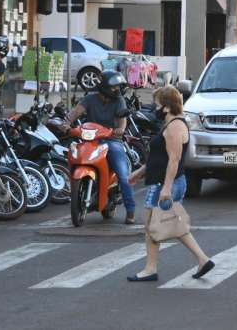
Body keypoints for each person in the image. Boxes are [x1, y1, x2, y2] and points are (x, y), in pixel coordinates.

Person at [127, 86, 214, 282]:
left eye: (156, 104)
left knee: (153, 225)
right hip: (163, 182)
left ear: (166, 107)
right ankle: (202, 260)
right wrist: (139, 172)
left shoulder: (175, 126)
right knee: (169, 223)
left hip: (164, 184)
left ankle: (151, 269)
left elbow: (173, 160)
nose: (154, 108)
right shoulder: (170, 124)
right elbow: (160, 158)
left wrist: (165, 188)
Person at [65, 70, 137, 224]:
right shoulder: (90, 99)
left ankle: (130, 211)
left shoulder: (119, 101)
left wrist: (120, 129)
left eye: (118, 87)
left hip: (112, 140)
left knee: (124, 177)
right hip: (92, 141)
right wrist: (66, 123)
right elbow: (76, 112)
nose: (117, 90)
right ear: (104, 87)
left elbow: (122, 120)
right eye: (114, 87)